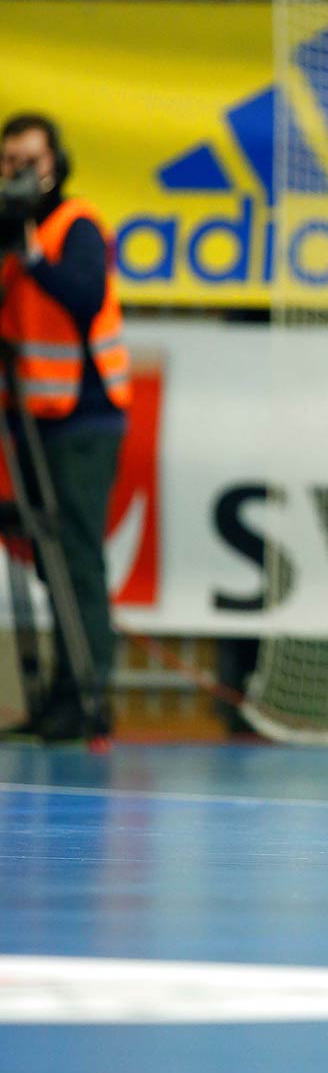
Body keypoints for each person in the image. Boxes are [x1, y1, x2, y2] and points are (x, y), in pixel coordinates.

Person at [0, 113, 131, 744]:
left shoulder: (74, 224)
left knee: (76, 556)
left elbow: (83, 292)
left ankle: (90, 692)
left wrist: (32, 258)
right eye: (9, 162)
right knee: (47, 563)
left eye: (31, 160)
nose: (20, 173)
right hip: (30, 420)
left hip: (84, 418)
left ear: (56, 162)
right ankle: (59, 693)